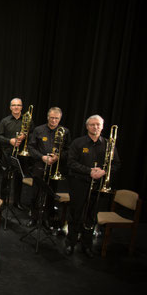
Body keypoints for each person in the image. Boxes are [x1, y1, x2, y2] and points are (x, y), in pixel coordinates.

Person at [66, 115, 120, 258]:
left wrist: (103, 172)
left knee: (91, 216)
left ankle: (86, 245)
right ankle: (70, 243)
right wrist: (89, 171)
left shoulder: (108, 144)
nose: (95, 127)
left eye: (98, 125)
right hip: (79, 183)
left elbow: (115, 164)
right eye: (92, 125)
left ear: (102, 127)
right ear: (87, 126)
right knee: (75, 214)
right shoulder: (78, 143)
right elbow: (71, 163)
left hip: (98, 185)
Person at [26, 107, 70, 228]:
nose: (54, 120)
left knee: (51, 193)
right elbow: (31, 147)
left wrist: (57, 157)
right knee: (36, 192)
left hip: (55, 167)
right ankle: (34, 217)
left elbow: (67, 151)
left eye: (56, 118)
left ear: (60, 118)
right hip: (40, 165)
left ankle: (46, 218)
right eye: (52, 118)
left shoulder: (65, 131)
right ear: (47, 117)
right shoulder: (38, 130)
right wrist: (42, 157)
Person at [0, 98, 34, 210]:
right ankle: (3, 201)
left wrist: (25, 136)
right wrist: (10, 141)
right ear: (10, 107)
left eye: (18, 105)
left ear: (22, 107)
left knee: (19, 179)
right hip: (8, 153)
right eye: (14, 105)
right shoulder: (5, 121)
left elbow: (33, 136)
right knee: (5, 177)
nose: (16, 107)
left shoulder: (28, 121)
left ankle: (17, 202)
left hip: (22, 154)